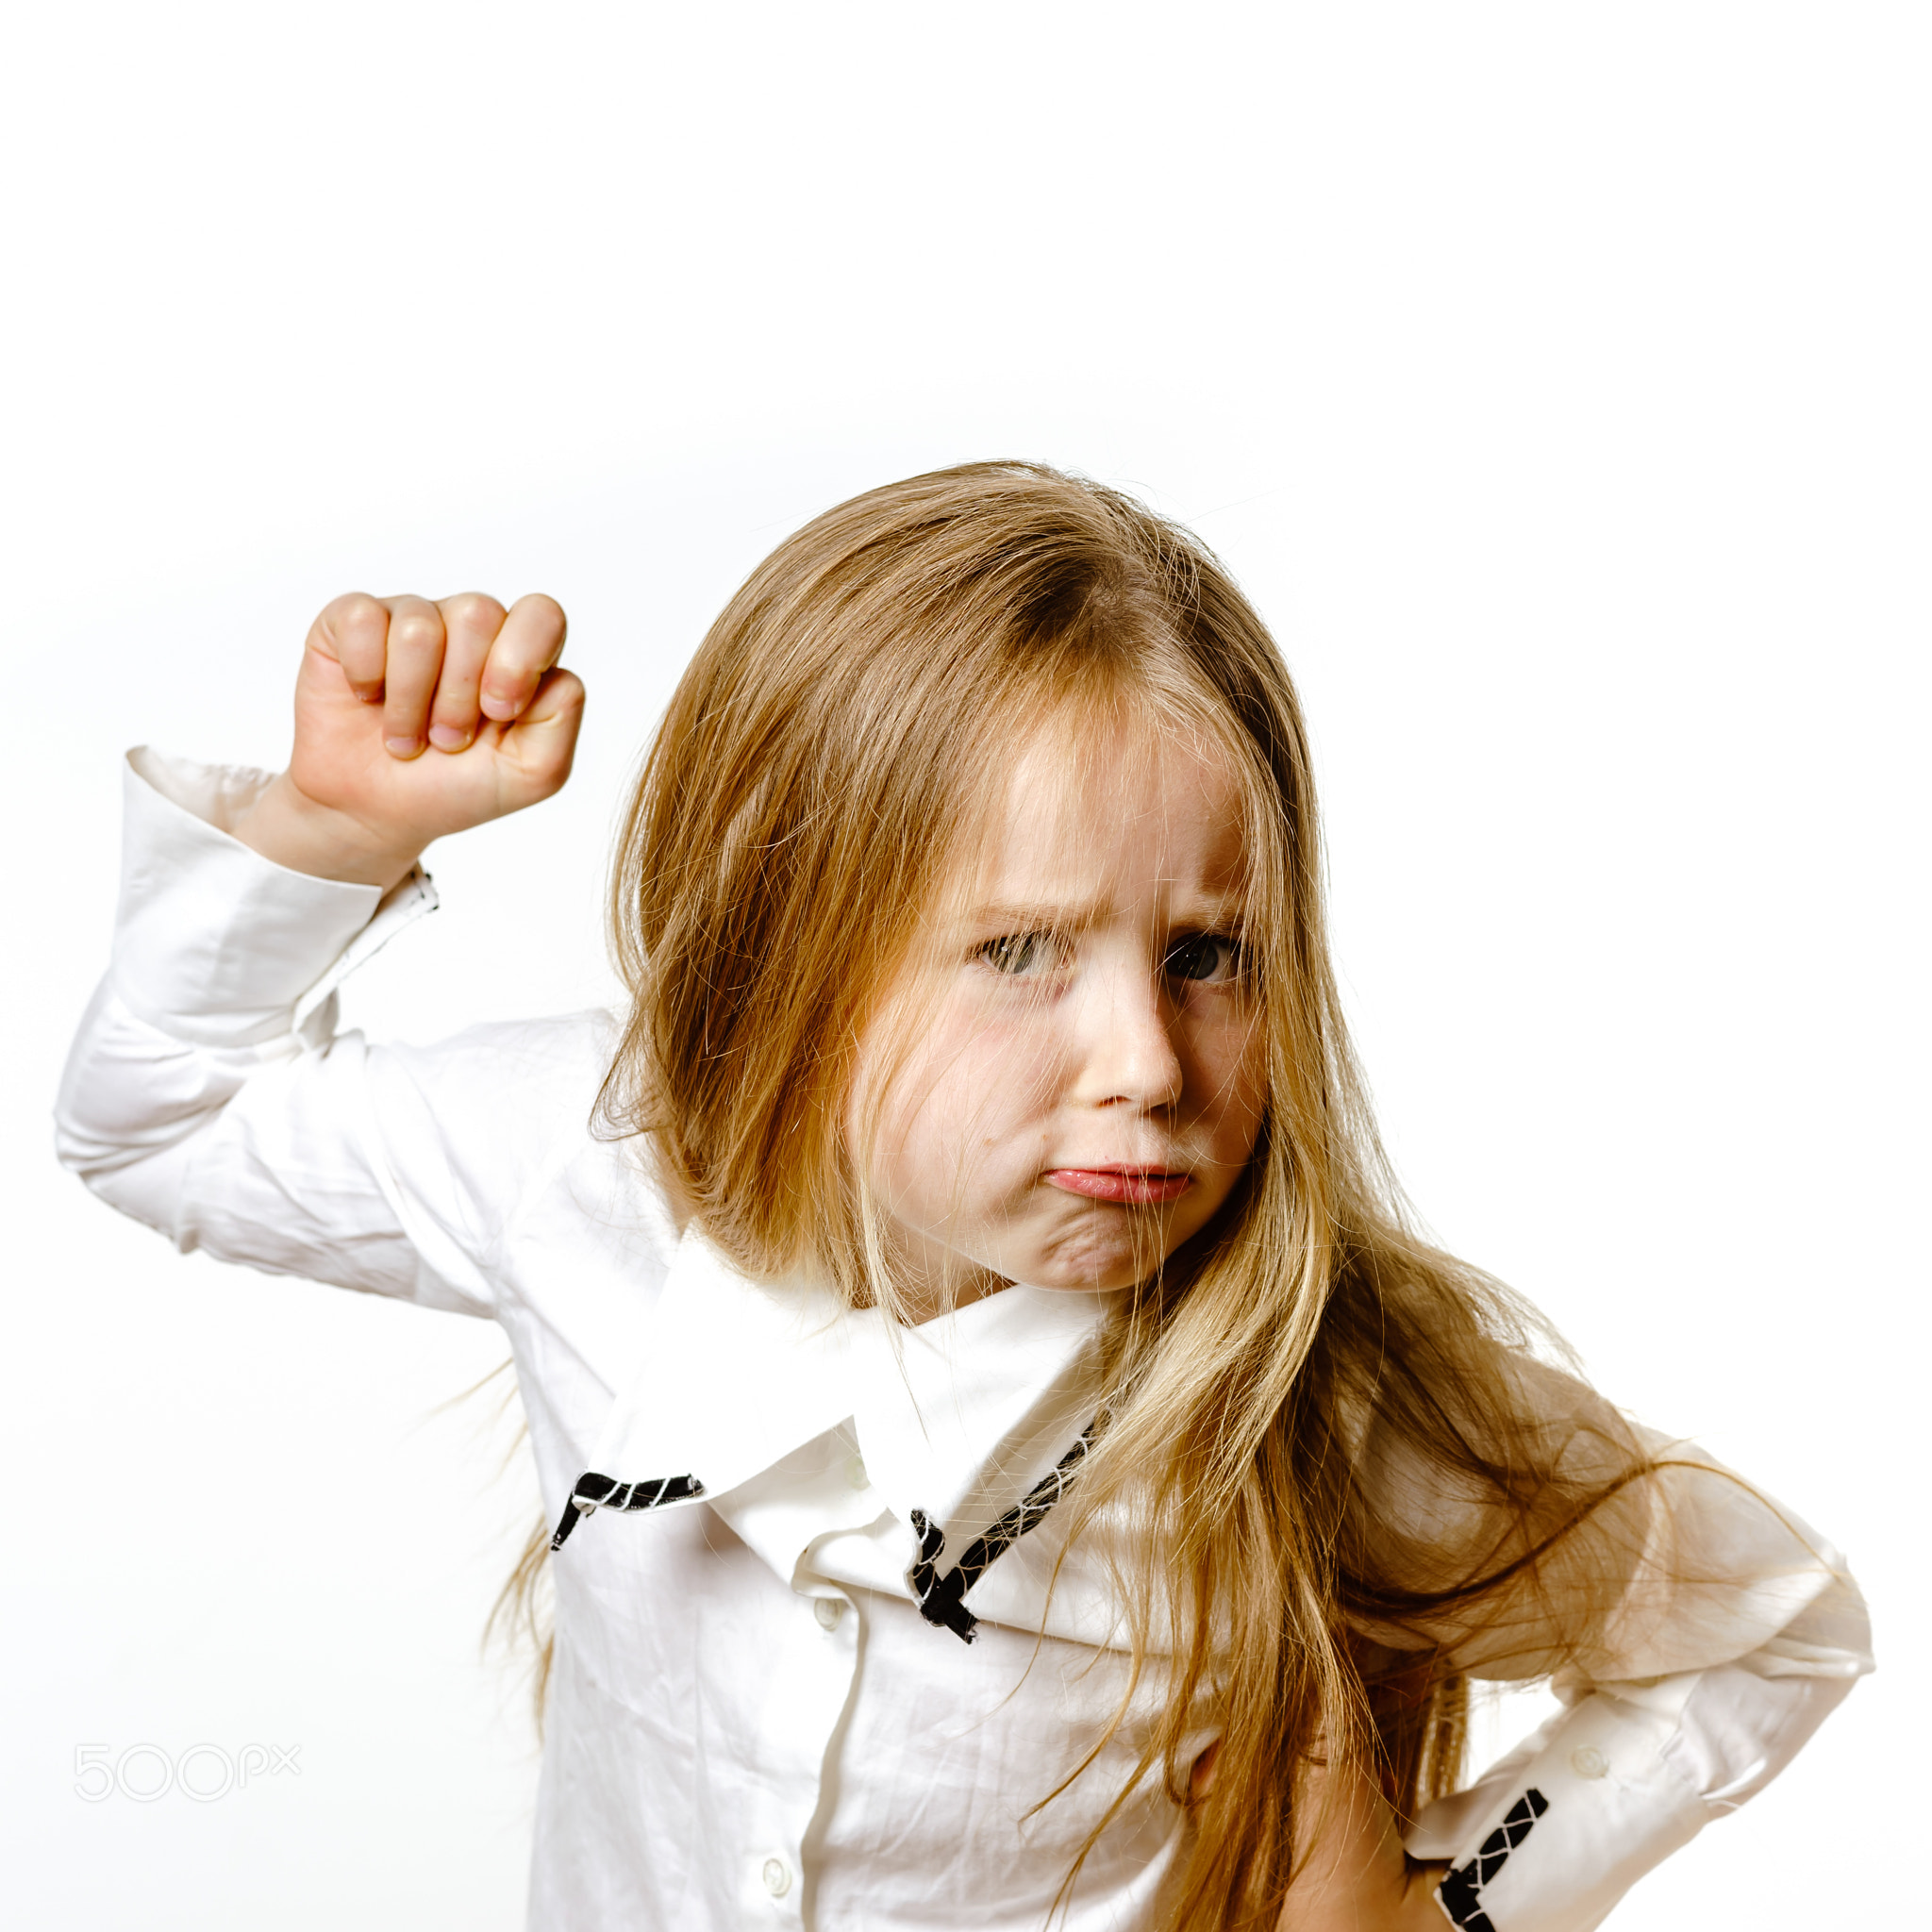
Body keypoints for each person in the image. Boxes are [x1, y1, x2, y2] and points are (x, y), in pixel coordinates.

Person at [55, 462, 1871, 1931]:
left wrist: (1450, 1906)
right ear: (785, 952)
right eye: (1018, 950)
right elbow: (163, 1118)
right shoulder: (580, 1166)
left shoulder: (1315, 1389)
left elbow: (1774, 1625)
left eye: (1210, 954)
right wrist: (336, 829)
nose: (1148, 1063)